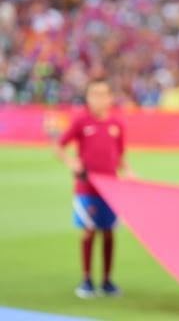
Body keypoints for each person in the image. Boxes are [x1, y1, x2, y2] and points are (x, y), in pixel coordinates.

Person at [55, 77, 135, 298]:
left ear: (110, 97)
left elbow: (120, 155)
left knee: (109, 233)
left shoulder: (116, 125)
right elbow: (59, 147)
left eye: (102, 94)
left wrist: (128, 172)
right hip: (87, 188)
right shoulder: (81, 122)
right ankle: (87, 279)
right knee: (89, 232)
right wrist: (73, 163)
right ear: (88, 97)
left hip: (111, 189)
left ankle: (107, 280)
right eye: (93, 94)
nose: (97, 98)